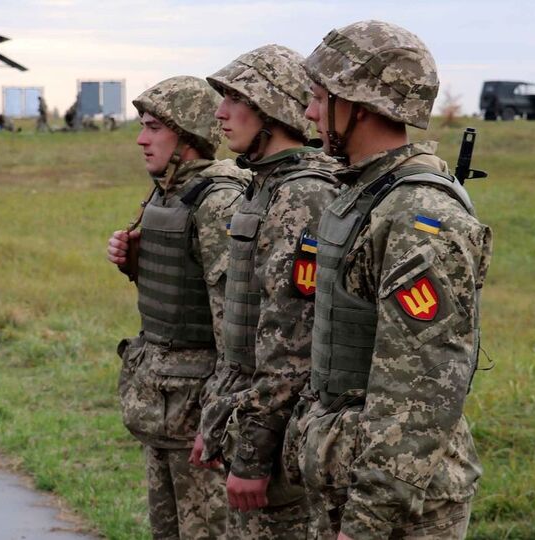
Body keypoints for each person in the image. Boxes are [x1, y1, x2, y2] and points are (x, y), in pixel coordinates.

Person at [283, 20, 493, 539]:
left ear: (358, 104)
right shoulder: (365, 193)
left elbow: (419, 391)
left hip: (398, 507)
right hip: (348, 478)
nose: (309, 114)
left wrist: (368, 520)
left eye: (317, 98)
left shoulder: (418, 216)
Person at [193, 45, 341, 538]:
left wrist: (254, 455)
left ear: (272, 108)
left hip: (281, 443)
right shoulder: (266, 185)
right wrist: (216, 420)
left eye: (236, 99)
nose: (219, 112)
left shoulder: (302, 193)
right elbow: (242, 331)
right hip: (253, 420)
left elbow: (291, 346)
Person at [107, 76, 248, 539]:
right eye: (142, 126)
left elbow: (234, 323)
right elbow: (179, 290)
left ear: (187, 136)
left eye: (153, 128)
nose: (141, 139)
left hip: (196, 411)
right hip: (163, 401)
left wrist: (217, 417)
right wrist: (135, 264)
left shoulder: (217, 200)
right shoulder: (168, 190)